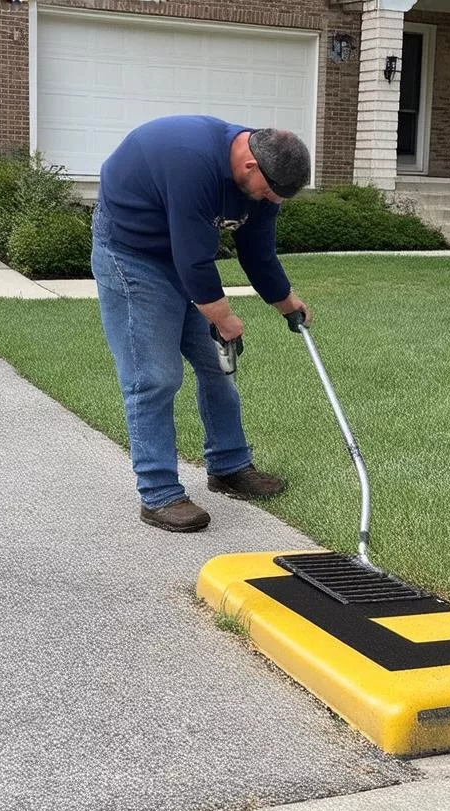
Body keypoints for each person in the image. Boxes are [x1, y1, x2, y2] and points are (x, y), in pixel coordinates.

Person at [91, 115, 312, 533]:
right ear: (250, 168)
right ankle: (159, 494)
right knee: (154, 376)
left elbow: (257, 250)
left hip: (183, 256)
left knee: (218, 365)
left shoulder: (265, 179)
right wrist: (224, 318)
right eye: (271, 192)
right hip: (132, 255)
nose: (274, 202)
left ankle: (229, 467)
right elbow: (193, 258)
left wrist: (286, 301)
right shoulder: (189, 160)